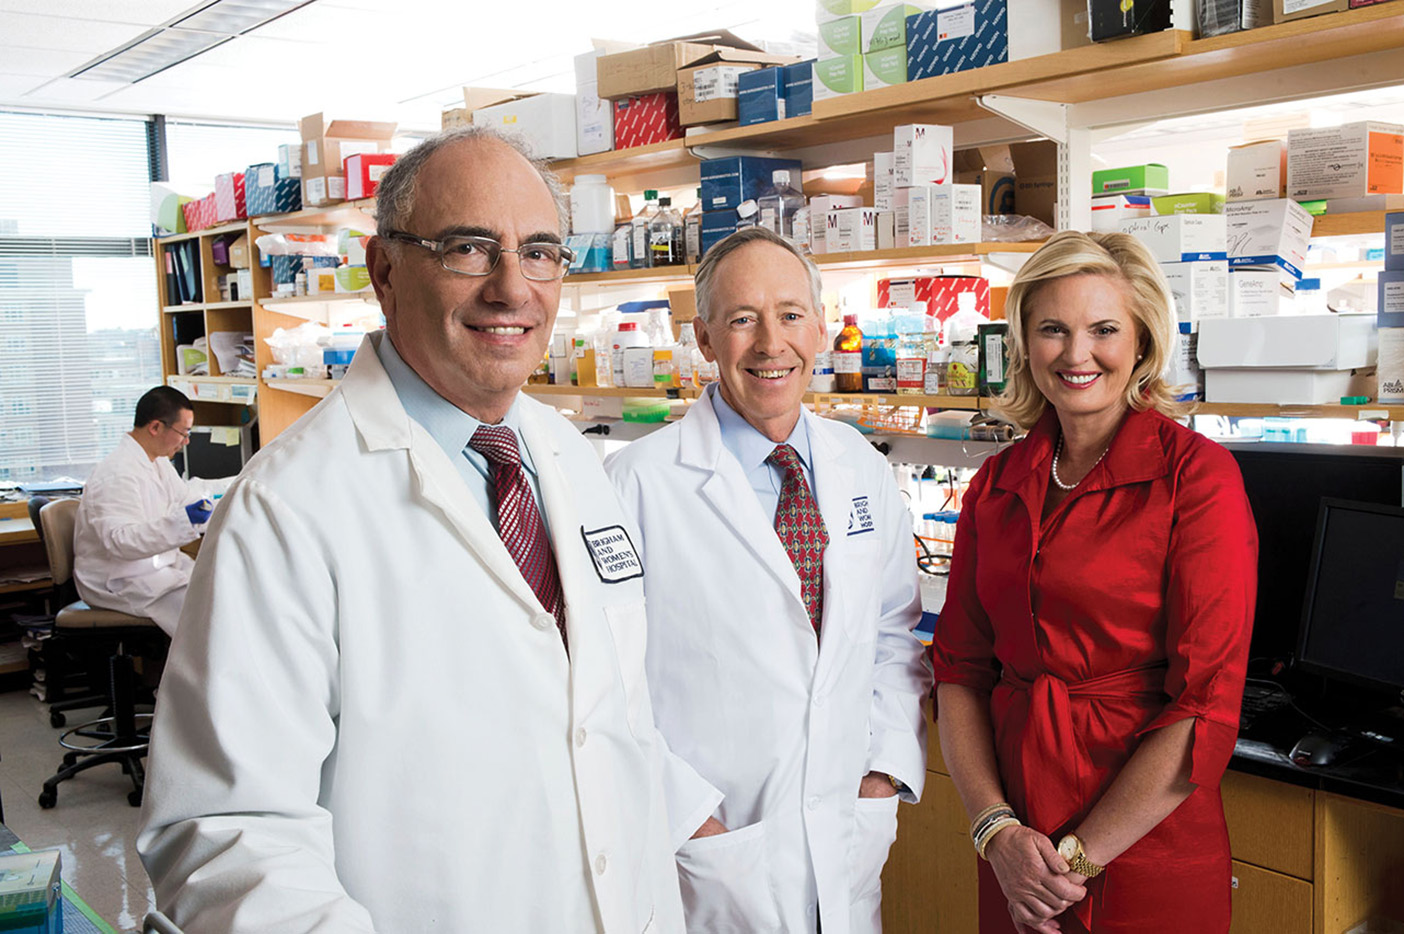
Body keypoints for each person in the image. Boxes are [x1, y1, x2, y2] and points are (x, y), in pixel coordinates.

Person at [137, 127, 686, 933]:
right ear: (385, 271)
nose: (511, 288)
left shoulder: (571, 459)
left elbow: (611, 735)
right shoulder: (286, 510)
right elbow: (226, 835)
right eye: (469, 248)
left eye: (539, 252)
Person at [606, 226, 932, 934]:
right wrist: (692, 821)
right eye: (742, 319)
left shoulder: (859, 468)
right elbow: (606, 678)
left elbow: (891, 637)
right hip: (708, 854)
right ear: (704, 337)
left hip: (844, 839)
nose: (769, 343)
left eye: (789, 314)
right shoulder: (635, 485)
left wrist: (883, 775)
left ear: (820, 327)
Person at [931, 230, 1258, 934]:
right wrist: (996, 832)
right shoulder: (995, 485)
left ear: (1141, 340)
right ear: (1023, 342)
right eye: (1053, 329)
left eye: (1103, 329)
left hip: (1144, 841)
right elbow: (958, 669)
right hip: (1017, 844)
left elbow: (1205, 706)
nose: (1077, 355)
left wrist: (1071, 866)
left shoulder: (1197, 479)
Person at [73, 386, 232, 637]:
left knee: (225, 592)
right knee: (211, 619)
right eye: (184, 433)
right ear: (156, 427)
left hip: (156, 571)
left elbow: (184, 497)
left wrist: (235, 488)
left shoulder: (156, 461)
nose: (187, 441)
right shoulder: (117, 474)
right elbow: (121, 541)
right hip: (120, 580)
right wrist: (183, 523)